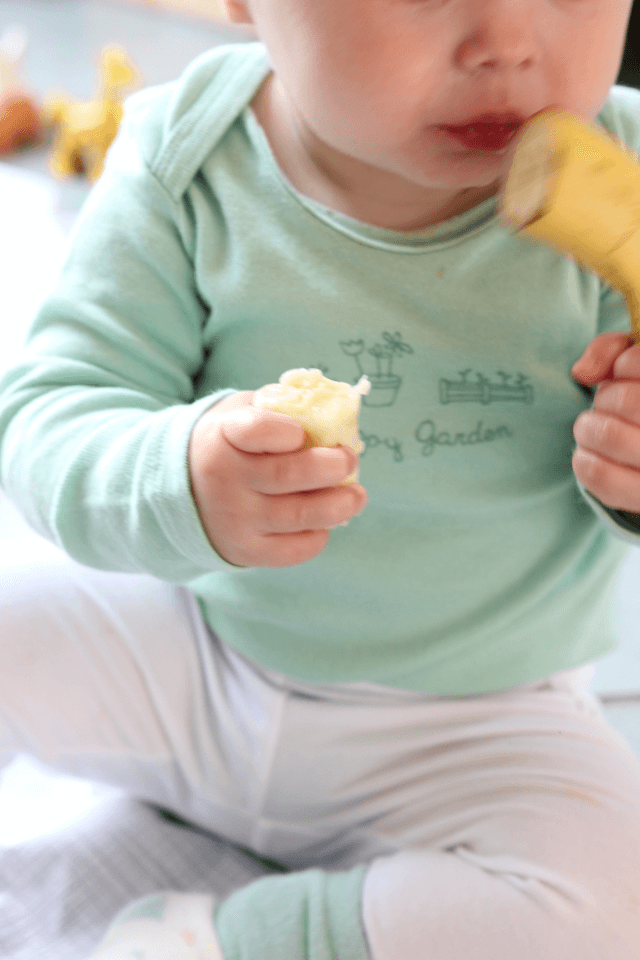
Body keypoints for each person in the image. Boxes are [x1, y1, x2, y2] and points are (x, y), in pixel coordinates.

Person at [2, 0, 640, 957]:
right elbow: (49, 414)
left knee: (608, 903)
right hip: (199, 661)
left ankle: (233, 937)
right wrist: (175, 476)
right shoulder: (189, 156)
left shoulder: (621, 184)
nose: (505, 41)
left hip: (486, 730)